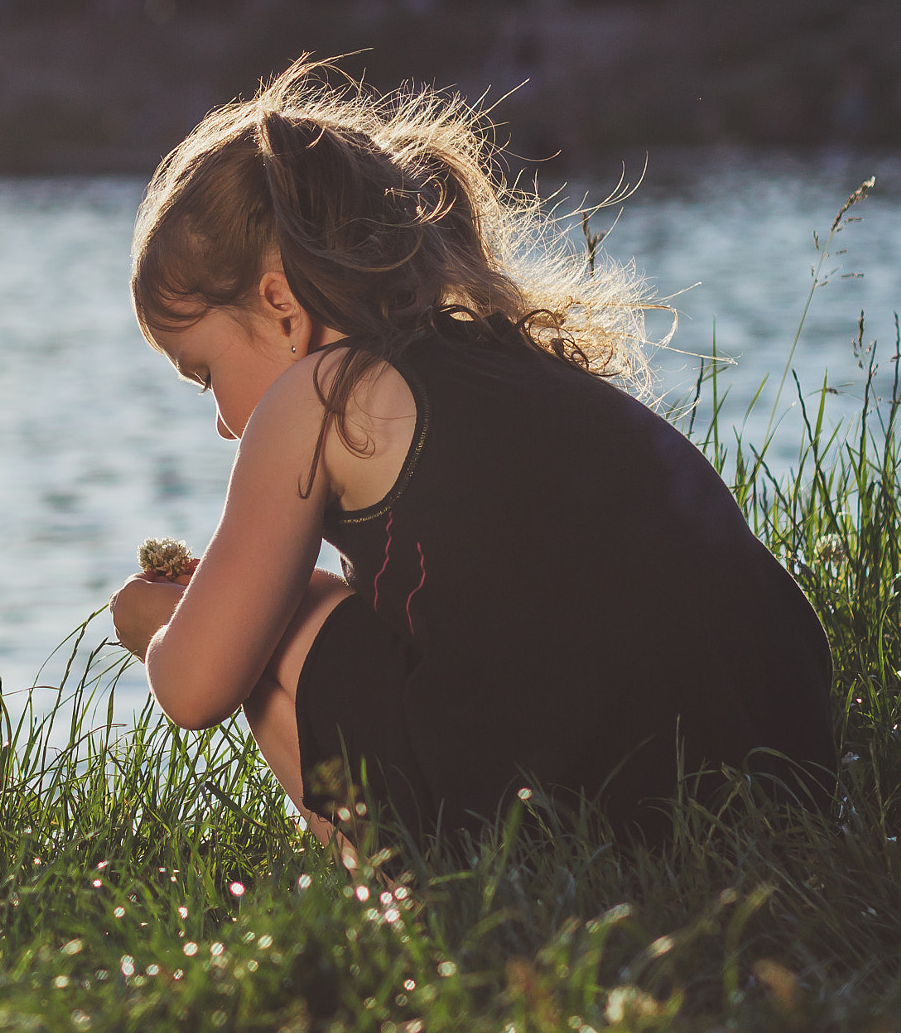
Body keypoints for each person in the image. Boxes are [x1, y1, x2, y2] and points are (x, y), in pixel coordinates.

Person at [108, 60, 834, 848]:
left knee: (282, 619)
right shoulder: (503, 359)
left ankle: (406, 902)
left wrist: (152, 625)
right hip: (785, 768)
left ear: (282, 305)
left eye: (204, 373)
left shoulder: (315, 395)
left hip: (600, 824)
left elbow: (194, 688)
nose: (219, 421)